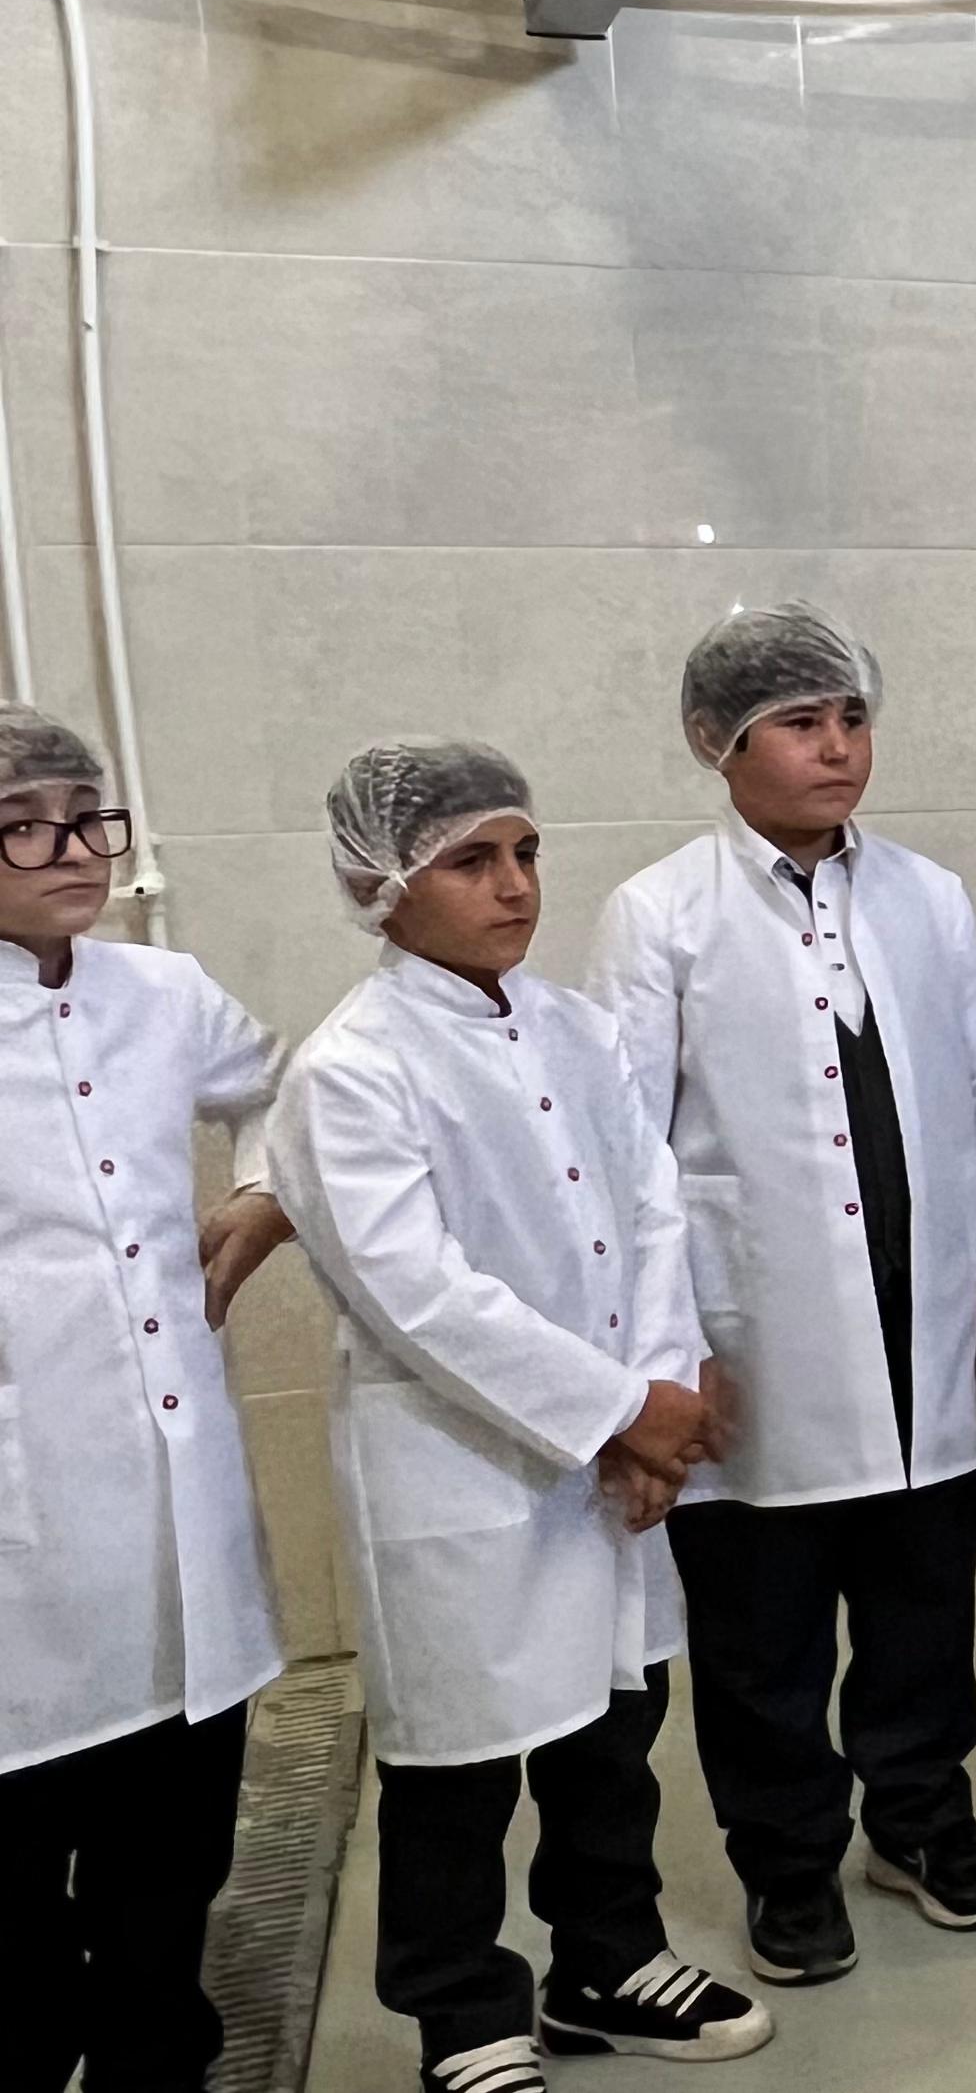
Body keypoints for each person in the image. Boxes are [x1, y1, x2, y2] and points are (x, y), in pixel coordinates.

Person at [268, 741, 770, 2093]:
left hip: (612, 1442)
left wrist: (656, 1395)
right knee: (461, 1760)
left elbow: (650, 1213)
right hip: (460, 1463)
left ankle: (607, 1960)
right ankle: (462, 2016)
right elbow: (417, 1295)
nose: (515, 886)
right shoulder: (351, 1067)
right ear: (380, 886)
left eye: (527, 852)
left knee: (611, 1724)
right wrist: (619, 1413)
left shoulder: (575, 1028)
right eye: (471, 861)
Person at [588, 605, 976, 1985]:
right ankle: (787, 1862)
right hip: (754, 1327)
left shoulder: (926, 895)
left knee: (923, 1598)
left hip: (923, 1304)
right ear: (718, 743)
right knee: (761, 1627)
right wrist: (666, 1351)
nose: (838, 747)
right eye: (800, 723)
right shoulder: (660, 915)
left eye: (852, 719)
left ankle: (920, 1819)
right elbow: (626, 1151)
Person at [0, 707, 299, 2093]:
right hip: (25, 1520)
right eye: (23, 825)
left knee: (173, 1834)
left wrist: (260, 1196)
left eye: (86, 817)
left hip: (176, 1502)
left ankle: (155, 2054)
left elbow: (290, 1093)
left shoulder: (163, 994)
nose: (72, 848)